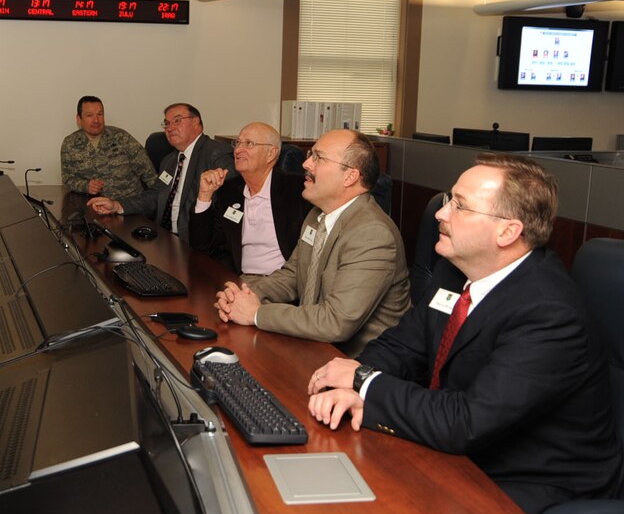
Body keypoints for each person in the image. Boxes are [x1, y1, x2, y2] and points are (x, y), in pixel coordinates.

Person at [306, 153, 621, 514]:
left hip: (526, 484)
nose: (441, 214)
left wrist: (365, 383)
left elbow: (468, 421)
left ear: (507, 232)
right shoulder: (454, 271)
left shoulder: (549, 313)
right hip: (458, 449)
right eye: (448, 199)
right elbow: (403, 346)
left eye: (460, 205)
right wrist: (351, 384)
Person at [215, 129, 410, 355]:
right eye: (310, 155)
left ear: (350, 177)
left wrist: (256, 314)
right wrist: (244, 295)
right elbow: (293, 274)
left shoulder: (372, 234)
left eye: (319, 157)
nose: (306, 164)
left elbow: (336, 322)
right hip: (312, 344)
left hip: (357, 360)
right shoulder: (317, 215)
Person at [88, 103, 233, 238]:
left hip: (195, 241)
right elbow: (156, 196)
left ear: (196, 122)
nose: (170, 128)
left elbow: (227, 205)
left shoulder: (217, 153)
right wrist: (116, 205)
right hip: (163, 236)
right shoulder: (169, 160)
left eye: (177, 121)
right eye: (167, 123)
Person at [188, 122, 309, 275]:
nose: (238, 150)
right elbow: (203, 246)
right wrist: (204, 196)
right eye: (237, 143)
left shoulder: (298, 190)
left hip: (282, 281)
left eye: (249, 143)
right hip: (238, 279)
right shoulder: (229, 191)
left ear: (271, 153)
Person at [60, 95, 157, 201]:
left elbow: (149, 172)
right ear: (79, 119)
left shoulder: (122, 137)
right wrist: (85, 186)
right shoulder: (70, 144)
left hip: (129, 204)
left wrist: (160, 202)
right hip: (94, 205)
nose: (96, 120)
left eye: (100, 114)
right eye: (89, 115)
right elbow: (67, 178)